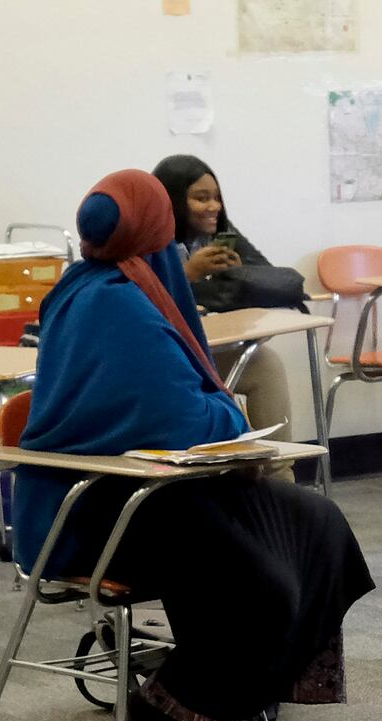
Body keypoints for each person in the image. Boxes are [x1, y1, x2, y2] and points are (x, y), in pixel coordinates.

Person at [15, 169, 374, 721]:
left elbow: (175, 411)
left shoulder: (115, 289)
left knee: (317, 523)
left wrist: (215, 410)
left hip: (165, 489)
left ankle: (240, 703)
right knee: (259, 574)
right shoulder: (112, 302)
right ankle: (178, 705)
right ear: (157, 227)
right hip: (102, 505)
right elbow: (181, 418)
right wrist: (227, 412)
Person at [152, 154, 294, 479]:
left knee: (265, 363)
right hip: (165, 363)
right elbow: (144, 300)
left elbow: (277, 282)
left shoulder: (220, 234)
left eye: (217, 197)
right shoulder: (149, 242)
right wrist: (188, 274)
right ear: (174, 200)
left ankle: (282, 482)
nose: (213, 206)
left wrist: (229, 278)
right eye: (201, 198)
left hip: (207, 353)